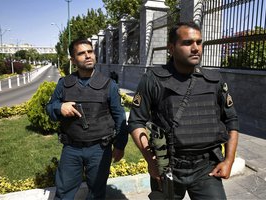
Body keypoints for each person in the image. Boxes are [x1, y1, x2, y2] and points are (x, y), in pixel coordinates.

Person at [128, 22, 239, 199]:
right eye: (187, 43)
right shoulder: (153, 80)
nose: (196, 48)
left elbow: (232, 121)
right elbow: (136, 121)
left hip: (206, 168)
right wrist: (151, 161)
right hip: (168, 167)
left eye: (199, 42)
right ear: (171, 48)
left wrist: (229, 161)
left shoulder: (214, 80)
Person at [46, 38, 128, 200]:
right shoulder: (64, 84)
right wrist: (59, 108)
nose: (88, 56)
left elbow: (119, 117)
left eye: (90, 52)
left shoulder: (108, 84)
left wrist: (120, 145)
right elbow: (50, 107)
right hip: (71, 149)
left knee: (96, 194)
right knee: (63, 194)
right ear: (73, 60)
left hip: (100, 149)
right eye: (81, 53)